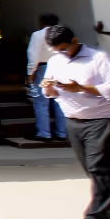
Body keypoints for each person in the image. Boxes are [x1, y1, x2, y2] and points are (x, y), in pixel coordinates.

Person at [41, 26, 110, 219]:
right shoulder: (55, 61)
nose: (61, 53)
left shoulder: (99, 58)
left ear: (75, 40)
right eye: (56, 50)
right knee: (93, 169)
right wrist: (49, 87)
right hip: (74, 120)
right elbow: (50, 92)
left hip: (104, 118)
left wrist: (80, 88)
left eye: (64, 49)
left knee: (100, 168)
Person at [25, 14, 67, 142]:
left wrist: (30, 74)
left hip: (44, 68)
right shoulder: (64, 34)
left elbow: (33, 56)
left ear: (42, 23)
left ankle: (44, 133)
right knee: (60, 102)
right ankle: (62, 133)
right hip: (62, 67)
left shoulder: (38, 35)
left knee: (41, 102)